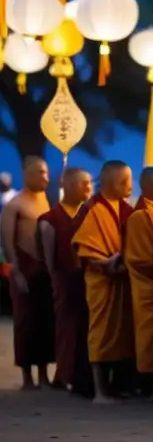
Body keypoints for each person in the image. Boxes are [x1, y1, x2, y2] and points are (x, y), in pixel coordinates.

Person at [72, 160, 135, 404]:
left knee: (120, 334)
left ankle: (117, 385)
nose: (129, 186)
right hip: (101, 281)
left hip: (120, 279)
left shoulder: (124, 209)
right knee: (99, 333)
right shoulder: (93, 209)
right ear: (108, 183)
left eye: (130, 181)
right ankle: (99, 390)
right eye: (123, 182)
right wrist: (108, 263)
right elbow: (84, 250)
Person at [0, 156, 56, 389]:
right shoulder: (15, 205)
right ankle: (27, 378)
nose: (45, 177)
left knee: (45, 321)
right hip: (24, 267)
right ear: (27, 174)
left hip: (43, 269)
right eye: (39, 172)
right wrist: (17, 271)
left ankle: (44, 374)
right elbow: (7, 241)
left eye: (46, 172)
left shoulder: (46, 201)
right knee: (25, 322)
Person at [37, 167, 93, 395]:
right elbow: (50, 259)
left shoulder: (87, 215)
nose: (89, 188)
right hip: (64, 279)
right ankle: (63, 374)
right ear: (69, 186)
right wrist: (55, 280)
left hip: (86, 279)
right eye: (84, 183)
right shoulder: (50, 220)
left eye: (90, 183)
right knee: (65, 326)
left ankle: (78, 373)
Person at [124, 166, 153, 402]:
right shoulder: (140, 216)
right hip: (147, 287)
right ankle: (152, 389)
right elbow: (139, 258)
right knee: (149, 338)